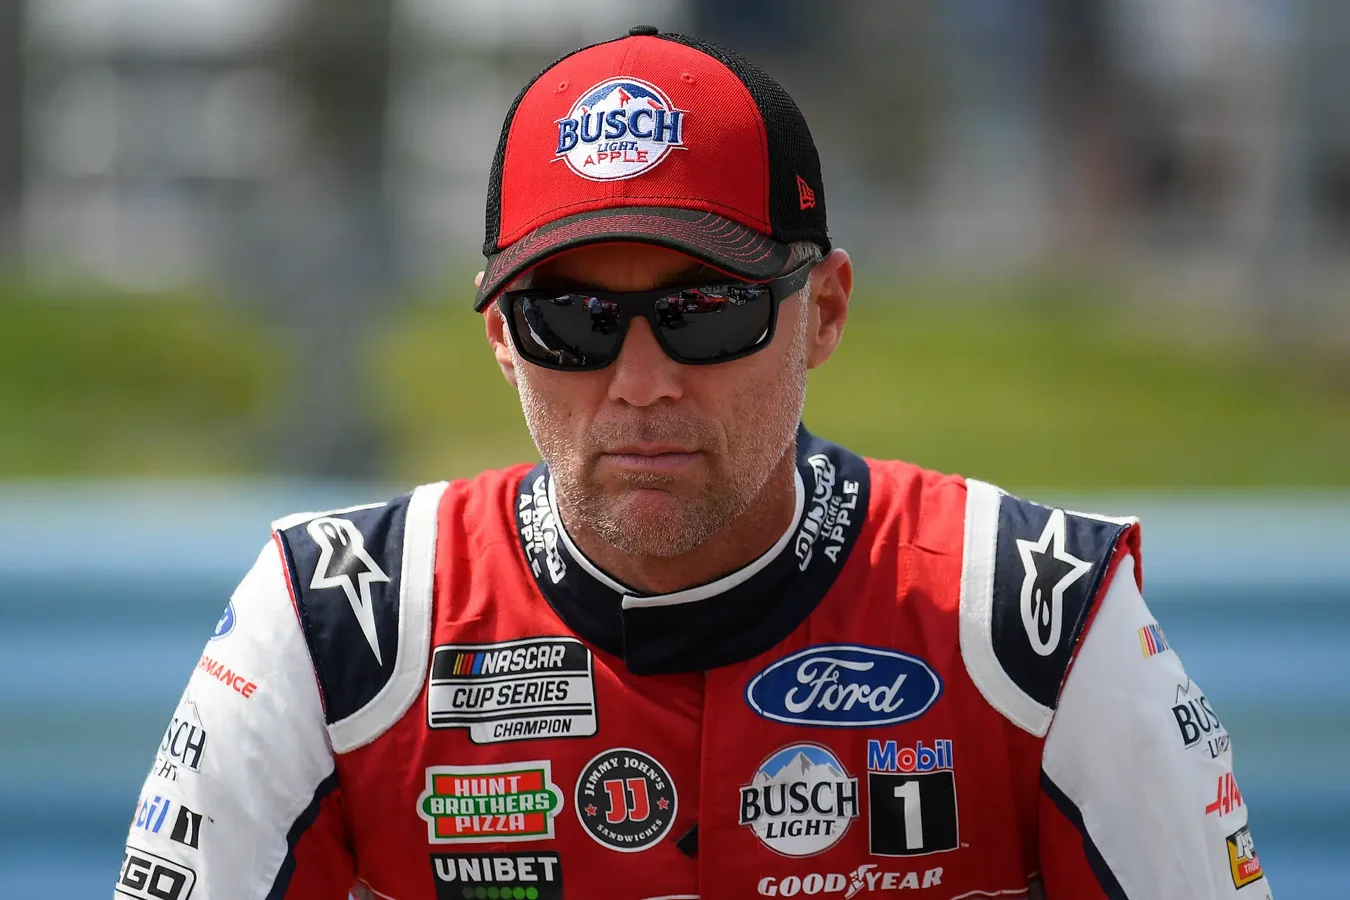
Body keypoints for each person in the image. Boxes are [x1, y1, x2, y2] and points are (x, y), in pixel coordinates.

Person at [116, 26, 1271, 900]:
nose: (641, 382)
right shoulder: (339, 626)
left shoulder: (1036, 618)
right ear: (501, 339)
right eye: (570, 320)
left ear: (824, 312)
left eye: (707, 312)